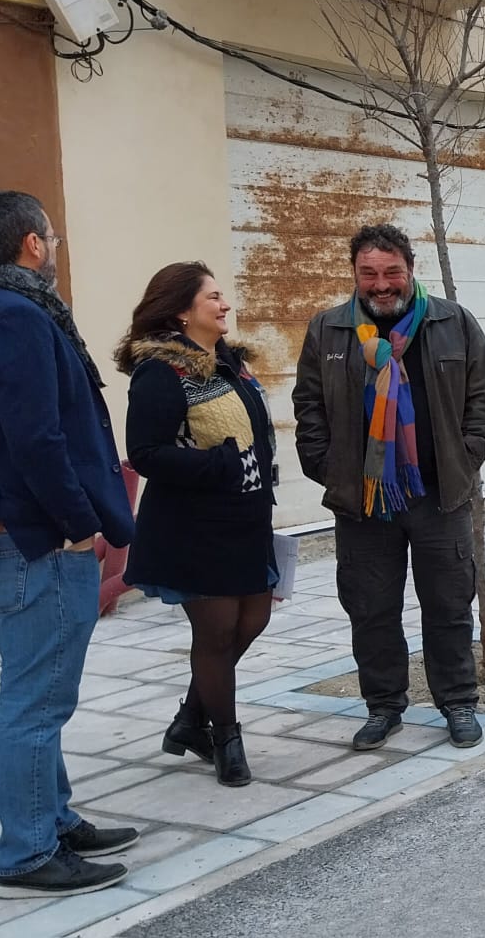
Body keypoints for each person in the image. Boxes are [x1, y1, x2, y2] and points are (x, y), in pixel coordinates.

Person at [0, 191, 138, 898]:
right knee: (37, 701)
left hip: (10, 530)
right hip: (34, 538)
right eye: (51, 236)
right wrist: (80, 522)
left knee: (36, 690)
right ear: (31, 243)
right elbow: (37, 438)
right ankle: (26, 853)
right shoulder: (16, 316)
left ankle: (53, 818)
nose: (55, 246)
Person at [293, 224, 485, 751]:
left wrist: (466, 457)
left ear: (410, 270)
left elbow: (484, 397)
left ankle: (458, 703)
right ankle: (384, 707)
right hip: (364, 503)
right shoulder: (328, 330)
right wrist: (329, 468)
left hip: (439, 495)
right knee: (370, 610)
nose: (381, 284)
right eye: (369, 273)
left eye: (392, 272)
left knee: (449, 607)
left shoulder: (453, 322)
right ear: (354, 274)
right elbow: (308, 406)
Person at [116, 263, 278, 787]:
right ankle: (225, 738)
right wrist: (217, 466)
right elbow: (145, 452)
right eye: (213, 297)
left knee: (254, 619)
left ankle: (190, 718)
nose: (225, 304)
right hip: (196, 525)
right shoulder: (162, 372)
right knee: (216, 632)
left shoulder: (229, 364)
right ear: (182, 311)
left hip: (246, 518)